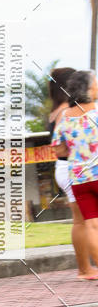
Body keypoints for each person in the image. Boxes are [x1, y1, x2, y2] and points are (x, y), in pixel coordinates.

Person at [48, 67, 98, 280]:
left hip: (78, 176)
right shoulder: (96, 112)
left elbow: (59, 149)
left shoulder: (65, 116)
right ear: (87, 88)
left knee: (90, 225)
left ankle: (89, 269)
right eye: (95, 82)